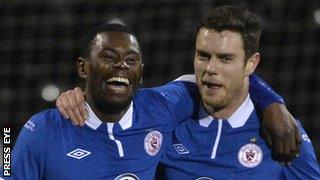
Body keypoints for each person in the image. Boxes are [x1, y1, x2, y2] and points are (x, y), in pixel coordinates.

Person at [1, 23, 298, 179]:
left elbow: (219, 78)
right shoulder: (42, 130)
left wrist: (272, 100)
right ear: (83, 68)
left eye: (131, 61)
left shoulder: (162, 107)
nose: (121, 66)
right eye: (108, 58)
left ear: (140, 74)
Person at [154, 6, 320, 179]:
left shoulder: (282, 134)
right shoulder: (170, 122)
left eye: (225, 59)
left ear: (251, 64)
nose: (210, 69)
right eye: (203, 56)